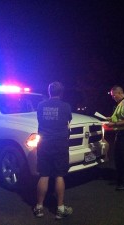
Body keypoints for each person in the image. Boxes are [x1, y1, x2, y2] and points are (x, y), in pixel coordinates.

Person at [34, 81, 73, 220]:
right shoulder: (66, 106)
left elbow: (40, 120)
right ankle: (60, 209)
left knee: (44, 175)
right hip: (60, 144)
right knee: (59, 175)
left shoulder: (40, 105)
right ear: (61, 92)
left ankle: (39, 207)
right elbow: (68, 121)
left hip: (44, 143)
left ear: (49, 91)